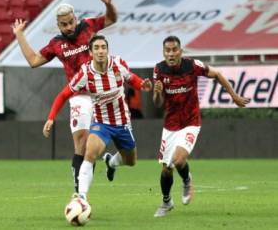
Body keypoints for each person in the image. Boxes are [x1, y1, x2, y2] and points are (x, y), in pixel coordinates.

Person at [12, 0, 118, 196]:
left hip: (101, 93)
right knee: (82, 142)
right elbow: (34, 61)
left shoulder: (88, 26)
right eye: (64, 24)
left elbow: (112, 19)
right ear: (58, 25)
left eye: (71, 22)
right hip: (78, 96)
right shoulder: (57, 44)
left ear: (75, 18)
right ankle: (80, 194)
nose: (69, 27)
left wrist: (107, 4)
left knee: (102, 148)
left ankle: (109, 161)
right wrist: (19, 35)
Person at [42, 35, 152, 201]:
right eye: (97, 48)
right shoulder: (85, 73)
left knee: (131, 161)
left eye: (103, 47)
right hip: (101, 123)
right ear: (90, 53)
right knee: (90, 152)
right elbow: (63, 95)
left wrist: (143, 85)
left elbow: (133, 79)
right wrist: (51, 118)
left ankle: (112, 163)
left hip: (122, 122)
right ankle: (81, 197)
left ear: (107, 50)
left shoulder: (118, 64)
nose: (101, 51)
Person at [153, 36, 250, 217]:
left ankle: (187, 180)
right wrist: (157, 94)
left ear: (180, 51)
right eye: (168, 50)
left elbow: (217, 74)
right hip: (171, 125)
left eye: (174, 50)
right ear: (163, 52)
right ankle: (166, 202)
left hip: (191, 121)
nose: (171, 53)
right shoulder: (159, 69)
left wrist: (234, 96)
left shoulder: (193, 66)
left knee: (179, 160)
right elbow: (158, 103)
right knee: (166, 169)